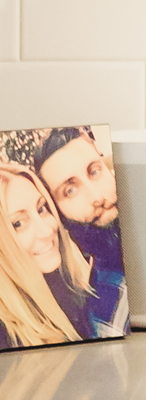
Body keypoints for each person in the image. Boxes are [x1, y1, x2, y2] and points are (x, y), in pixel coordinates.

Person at [29, 127, 126, 331]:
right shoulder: (107, 314)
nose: (96, 197)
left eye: (94, 171)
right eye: (70, 191)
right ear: (59, 215)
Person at [0, 157, 100, 347]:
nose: (47, 230)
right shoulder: (7, 337)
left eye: (41, 209)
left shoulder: (71, 286)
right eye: (18, 224)